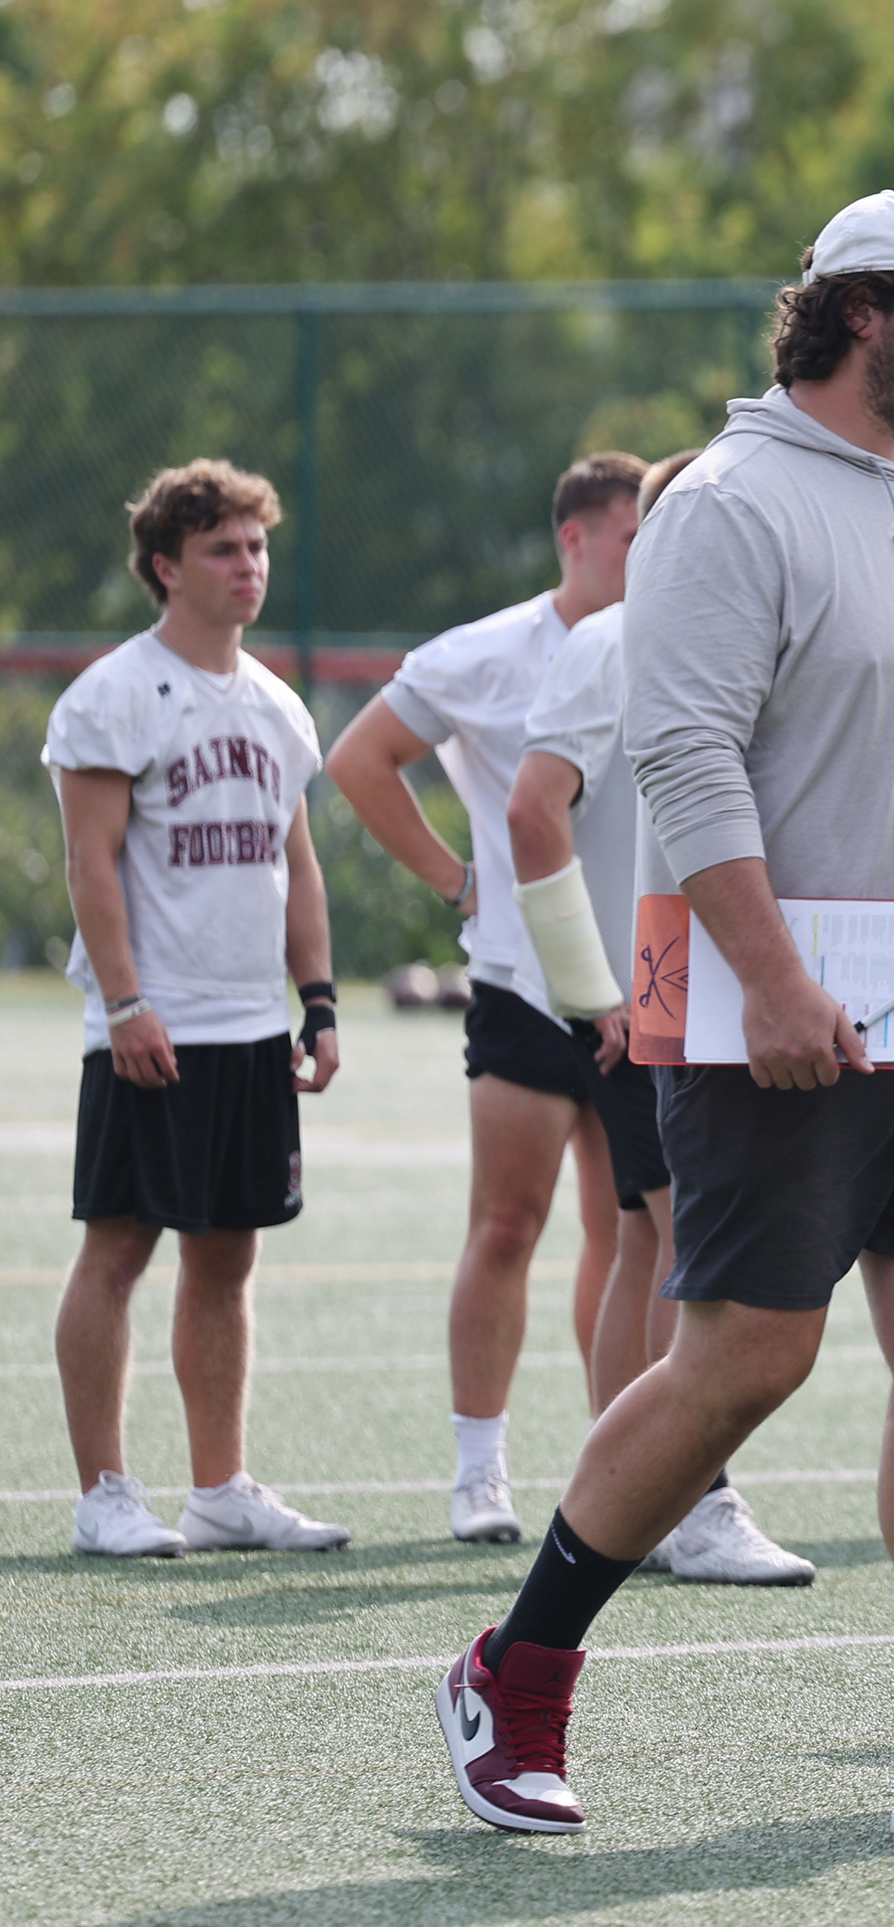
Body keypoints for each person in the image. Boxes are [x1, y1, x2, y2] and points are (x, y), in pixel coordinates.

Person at [432, 190, 894, 1844]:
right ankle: (515, 1673)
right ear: (856, 308)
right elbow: (684, 756)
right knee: (749, 1355)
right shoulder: (732, 501)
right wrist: (766, 979)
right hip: (789, 1007)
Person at [501, 446, 813, 1586]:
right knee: (694, 1248)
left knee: (649, 1236)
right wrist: (594, 987)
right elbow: (533, 809)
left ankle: (624, 1493)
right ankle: (690, 1496)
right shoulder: (616, 637)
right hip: (668, 981)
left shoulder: (735, 627)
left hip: (697, 972)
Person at [326, 451, 646, 1545]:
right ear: (575, 536)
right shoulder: (488, 651)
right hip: (524, 983)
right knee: (507, 1224)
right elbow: (362, 758)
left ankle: (629, 1465)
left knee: (631, 1232)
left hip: (643, 991)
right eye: (632, 537)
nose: (649, 559)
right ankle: (478, 1470)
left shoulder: (682, 645)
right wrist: (458, 881)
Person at [47, 458, 350, 1559]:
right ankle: (103, 1492)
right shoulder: (114, 694)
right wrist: (125, 1002)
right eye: (225, 549)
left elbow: (297, 866)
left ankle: (220, 1489)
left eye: (258, 546)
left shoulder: (275, 706)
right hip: (153, 1025)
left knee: (227, 1259)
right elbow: (89, 862)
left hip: (248, 1027)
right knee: (118, 1252)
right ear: (167, 567)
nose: (249, 566)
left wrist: (315, 1003)